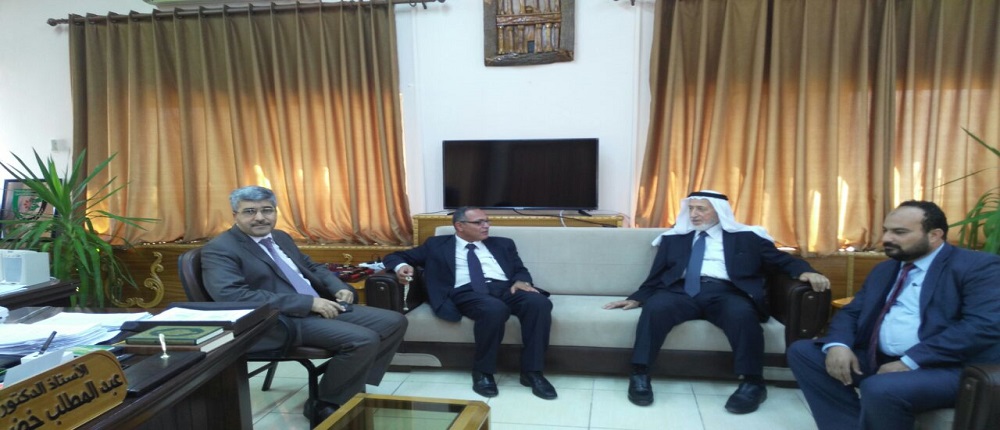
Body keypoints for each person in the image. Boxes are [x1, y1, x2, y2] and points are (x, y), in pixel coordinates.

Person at [603, 190, 830, 413]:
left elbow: (782, 260)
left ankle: (753, 382)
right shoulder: (675, 238)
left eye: (701, 209)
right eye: (691, 209)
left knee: (742, 314)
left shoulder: (747, 237)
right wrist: (638, 298)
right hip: (680, 291)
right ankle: (640, 373)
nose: (694, 214)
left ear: (719, 211)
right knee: (655, 308)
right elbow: (657, 274)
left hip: (726, 292)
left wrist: (806, 271)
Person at [201, 186, 408, 424]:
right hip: (279, 320)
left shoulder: (280, 237)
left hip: (317, 306)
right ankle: (323, 404)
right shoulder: (220, 249)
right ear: (235, 215)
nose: (260, 217)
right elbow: (233, 296)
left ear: (275, 211)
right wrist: (308, 303)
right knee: (363, 340)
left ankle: (349, 384)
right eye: (250, 211)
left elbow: (311, 267)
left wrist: (336, 287)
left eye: (267, 210)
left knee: (395, 321)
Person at [787, 200, 1000, 429]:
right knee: (804, 352)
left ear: (934, 235)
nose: (887, 238)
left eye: (900, 232)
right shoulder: (885, 269)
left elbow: (982, 325)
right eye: (886, 230)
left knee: (880, 388)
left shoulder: (977, 266)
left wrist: (911, 361)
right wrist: (839, 344)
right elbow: (852, 312)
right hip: (882, 358)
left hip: (947, 366)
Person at [382, 206, 557, 400]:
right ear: (460, 226)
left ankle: (533, 372)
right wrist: (401, 266)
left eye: (487, 221)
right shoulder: (436, 245)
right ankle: (483, 372)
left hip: (506, 288)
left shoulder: (503, 244)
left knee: (539, 303)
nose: (486, 226)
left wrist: (522, 281)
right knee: (494, 309)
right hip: (467, 291)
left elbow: (519, 269)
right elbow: (395, 256)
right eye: (479, 222)